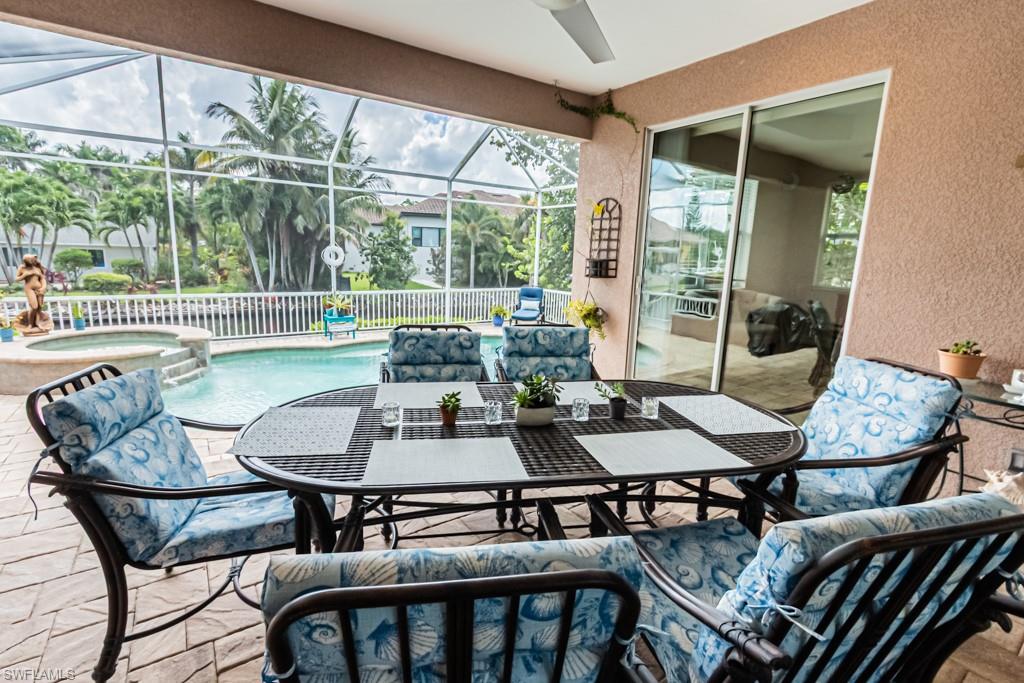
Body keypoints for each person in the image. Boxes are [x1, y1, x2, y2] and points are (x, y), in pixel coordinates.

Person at [16, 254, 47, 332]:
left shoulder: (37, 268)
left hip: (39, 289)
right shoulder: (22, 268)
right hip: (29, 289)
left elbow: (42, 279)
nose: (33, 261)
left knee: (40, 306)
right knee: (34, 307)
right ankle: (30, 324)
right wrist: (25, 275)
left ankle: (37, 323)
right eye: (30, 260)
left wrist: (43, 288)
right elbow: (17, 279)